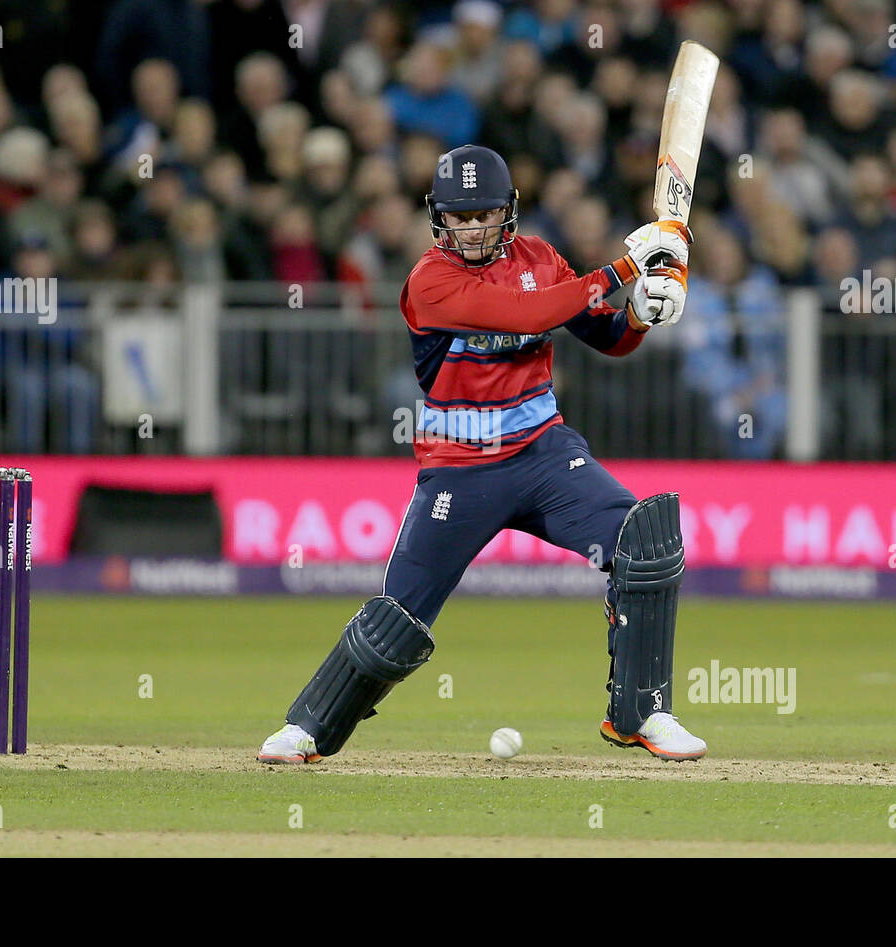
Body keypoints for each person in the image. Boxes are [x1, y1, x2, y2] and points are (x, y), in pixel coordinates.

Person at [257, 144, 706, 764]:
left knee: (645, 543)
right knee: (400, 617)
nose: (472, 229)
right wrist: (626, 267)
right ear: (438, 218)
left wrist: (642, 312)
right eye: (459, 217)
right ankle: (308, 727)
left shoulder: (540, 258)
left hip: (545, 454)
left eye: (485, 215)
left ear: (509, 212)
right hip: (460, 469)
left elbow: (602, 333)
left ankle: (642, 714)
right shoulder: (430, 282)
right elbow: (528, 311)